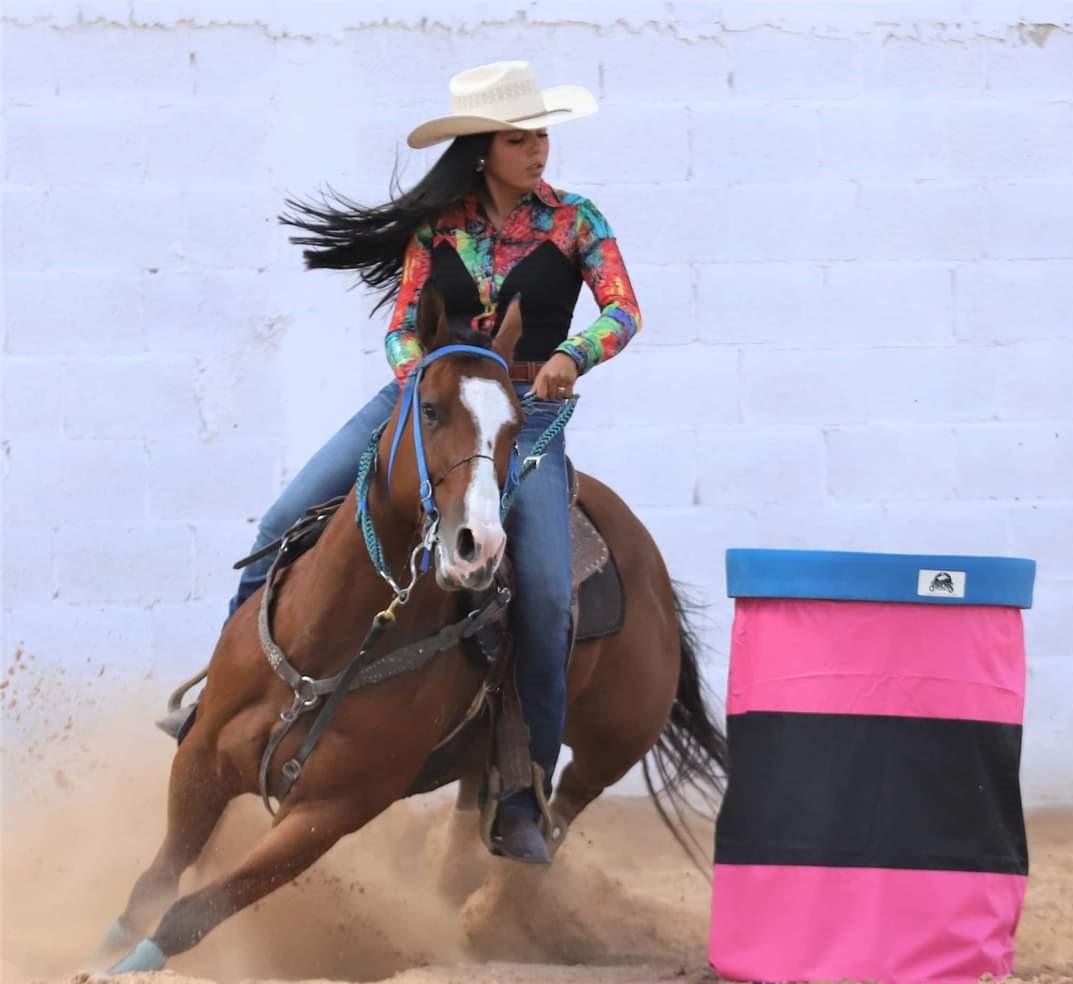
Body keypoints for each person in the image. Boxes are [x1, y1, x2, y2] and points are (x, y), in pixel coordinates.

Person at [228, 60, 642, 864]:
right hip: (423, 405)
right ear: (481, 149)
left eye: (541, 134)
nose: (538, 150)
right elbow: (398, 325)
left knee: (550, 595)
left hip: (523, 416)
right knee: (283, 521)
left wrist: (574, 353)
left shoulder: (576, 221)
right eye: (519, 138)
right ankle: (226, 699)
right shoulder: (439, 226)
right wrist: (421, 377)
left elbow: (622, 307)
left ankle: (521, 788)